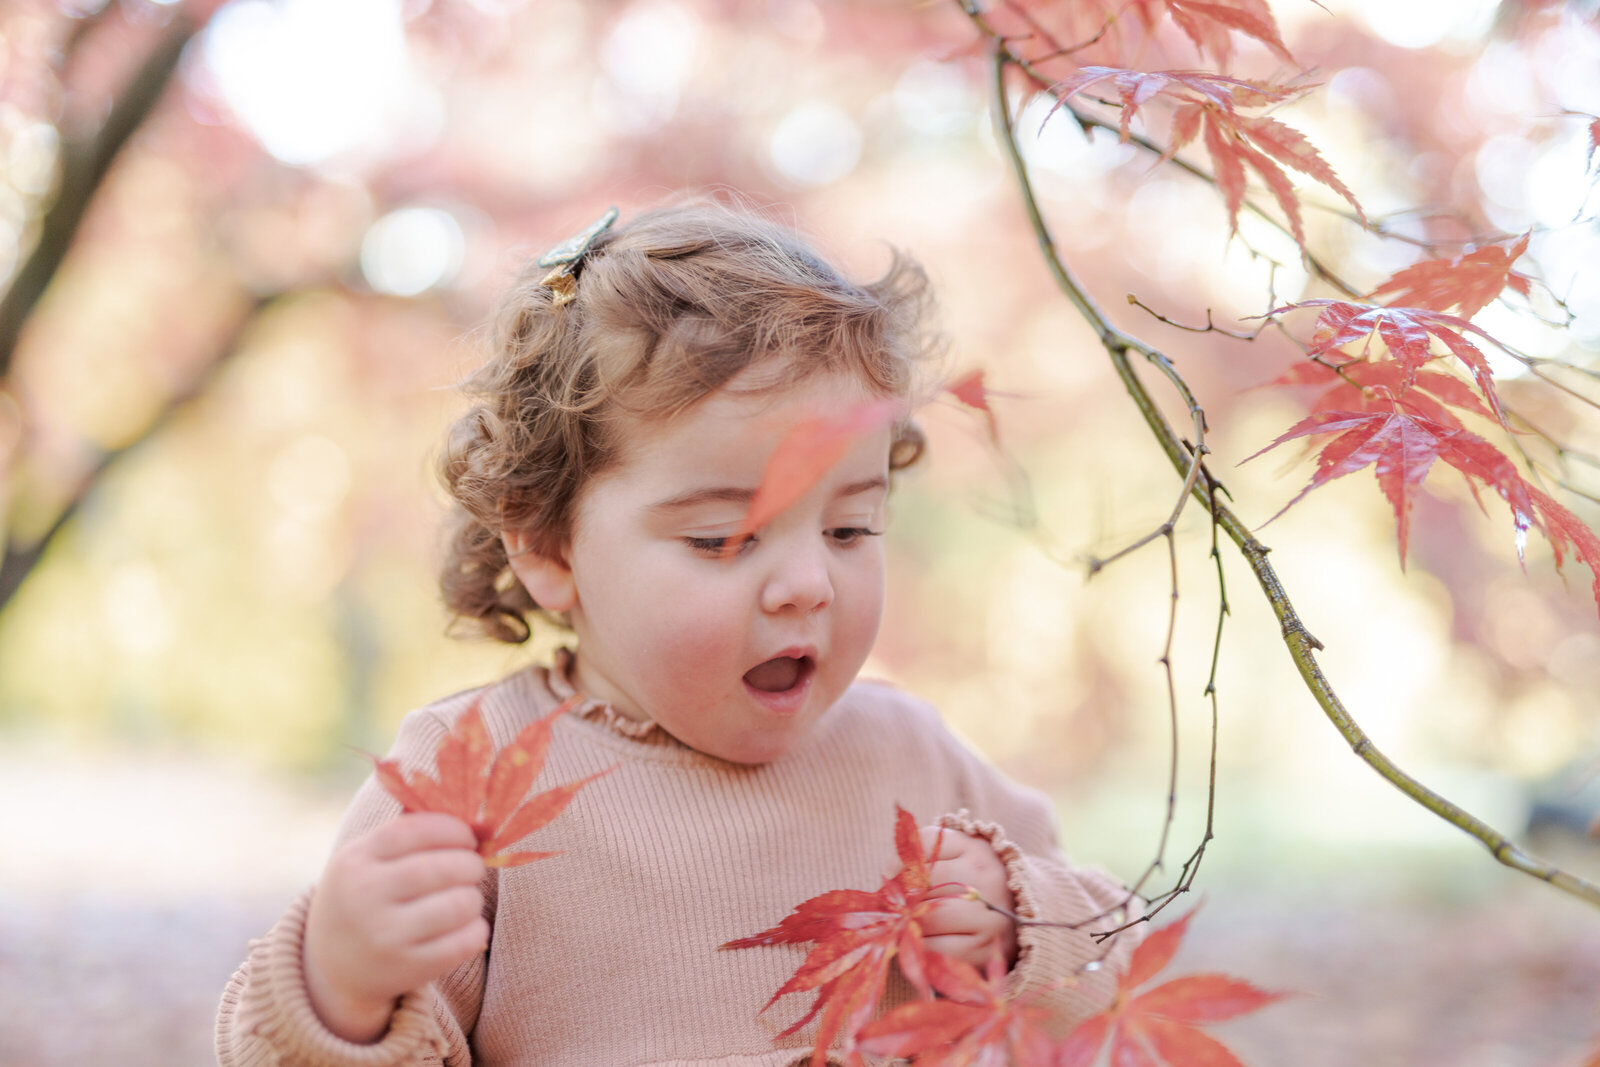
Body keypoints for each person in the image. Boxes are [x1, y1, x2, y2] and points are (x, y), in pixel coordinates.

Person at [216, 199, 1138, 1067]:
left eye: (851, 528)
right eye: (724, 537)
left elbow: (1118, 958)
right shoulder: (468, 780)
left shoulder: (910, 755)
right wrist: (340, 987)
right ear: (548, 544)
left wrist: (1023, 920)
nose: (810, 583)